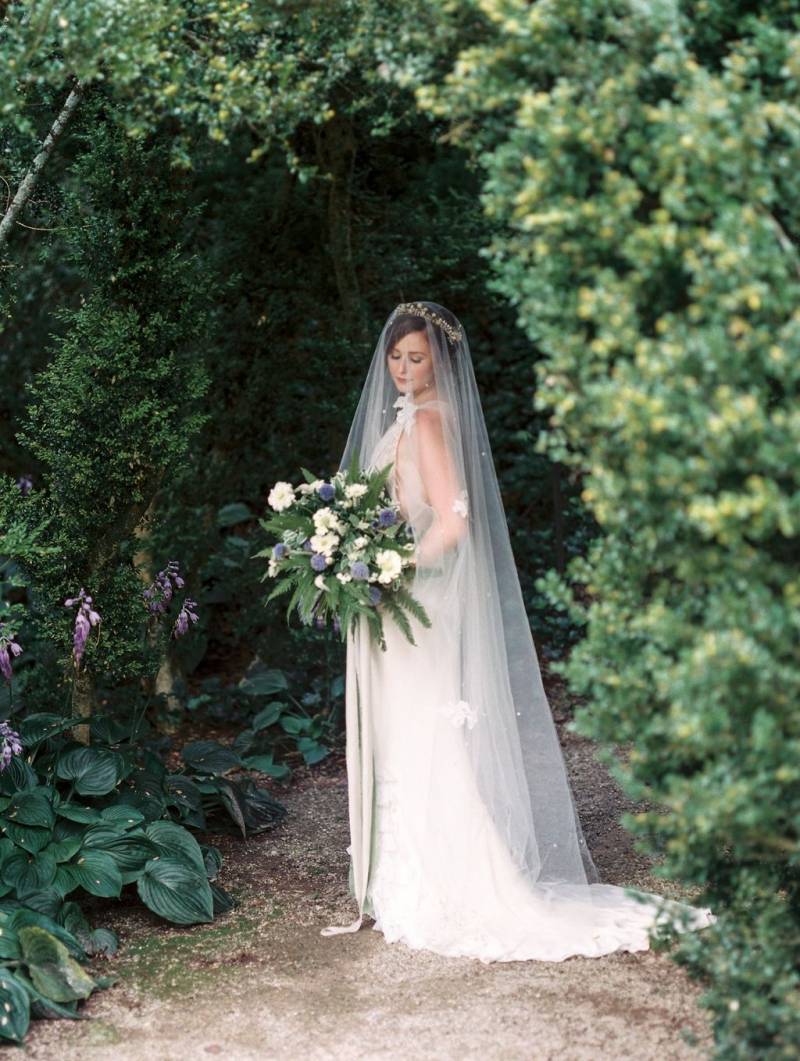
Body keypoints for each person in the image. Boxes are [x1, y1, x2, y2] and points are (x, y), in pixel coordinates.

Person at [321, 300, 715, 962]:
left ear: (440, 362)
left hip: (414, 603)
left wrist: (390, 565)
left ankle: (446, 879)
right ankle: (408, 874)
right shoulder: (410, 419)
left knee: (422, 733)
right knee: (408, 732)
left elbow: (453, 523)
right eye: (395, 356)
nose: (403, 368)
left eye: (417, 357)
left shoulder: (427, 425)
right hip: (403, 602)